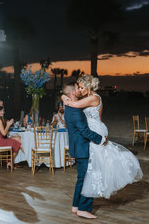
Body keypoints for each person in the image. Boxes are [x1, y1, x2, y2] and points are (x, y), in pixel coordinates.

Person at [62, 75, 143, 201]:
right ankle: (83, 201)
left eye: (82, 88)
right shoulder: (88, 97)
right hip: (93, 129)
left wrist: (63, 96)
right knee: (94, 165)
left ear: (89, 87)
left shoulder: (93, 98)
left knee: (96, 165)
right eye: (79, 88)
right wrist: (63, 96)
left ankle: (87, 198)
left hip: (95, 130)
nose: (80, 90)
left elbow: (73, 104)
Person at [62, 82, 106, 219]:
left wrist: (64, 97)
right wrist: (101, 139)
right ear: (72, 93)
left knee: (81, 178)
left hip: (78, 148)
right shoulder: (75, 111)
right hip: (83, 148)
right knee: (89, 178)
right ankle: (84, 209)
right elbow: (85, 131)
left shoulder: (69, 107)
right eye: (76, 88)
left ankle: (76, 206)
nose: (79, 89)